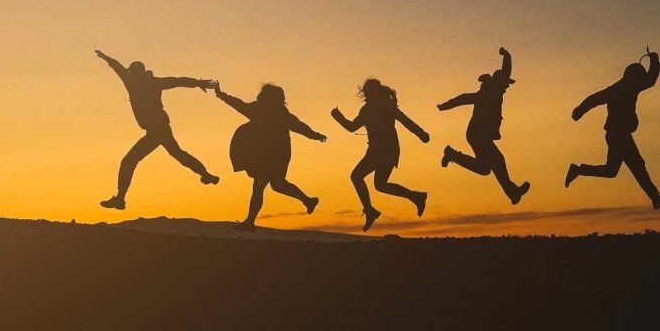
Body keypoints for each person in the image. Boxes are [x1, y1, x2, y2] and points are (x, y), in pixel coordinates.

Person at [94, 50, 219, 210]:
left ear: (134, 73)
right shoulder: (151, 82)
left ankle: (120, 199)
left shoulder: (132, 82)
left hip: (156, 130)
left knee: (129, 161)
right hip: (159, 128)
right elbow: (177, 81)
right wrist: (198, 83)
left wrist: (106, 58)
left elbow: (119, 68)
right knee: (177, 153)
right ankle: (206, 175)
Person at [564, 48, 660, 209]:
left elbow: (594, 98)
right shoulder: (626, 87)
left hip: (616, 135)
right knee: (638, 166)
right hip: (619, 135)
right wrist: (655, 60)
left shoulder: (619, 87)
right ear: (634, 76)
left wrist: (579, 111)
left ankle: (578, 170)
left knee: (611, 171)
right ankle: (655, 198)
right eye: (640, 76)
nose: (642, 80)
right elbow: (650, 80)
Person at [214, 82, 327, 230]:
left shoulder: (264, 111)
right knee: (278, 185)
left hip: (270, 156)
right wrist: (314, 135)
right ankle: (308, 200)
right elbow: (299, 125)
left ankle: (249, 223)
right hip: (277, 155)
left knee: (260, 186)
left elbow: (299, 126)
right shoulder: (280, 113)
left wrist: (314, 135)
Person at [332, 79, 431, 232]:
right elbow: (352, 127)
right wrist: (338, 117)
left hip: (387, 150)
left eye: (369, 92)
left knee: (360, 178)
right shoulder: (366, 110)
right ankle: (415, 197)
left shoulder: (386, 106)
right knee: (378, 184)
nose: (367, 95)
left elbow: (405, 121)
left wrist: (421, 134)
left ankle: (372, 210)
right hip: (375, 151)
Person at [438, 47, 530, 205]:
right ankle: (512, 192)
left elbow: (505, 72)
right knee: (498, 161)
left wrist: (507, 56)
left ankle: (453, 155)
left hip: (479, 135)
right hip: (477, 135)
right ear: (498, 83)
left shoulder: (492, 92)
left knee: (485, 169)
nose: (507, 87)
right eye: (506, 84)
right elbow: (463, 98)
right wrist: (507, 56)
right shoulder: (490, 93)